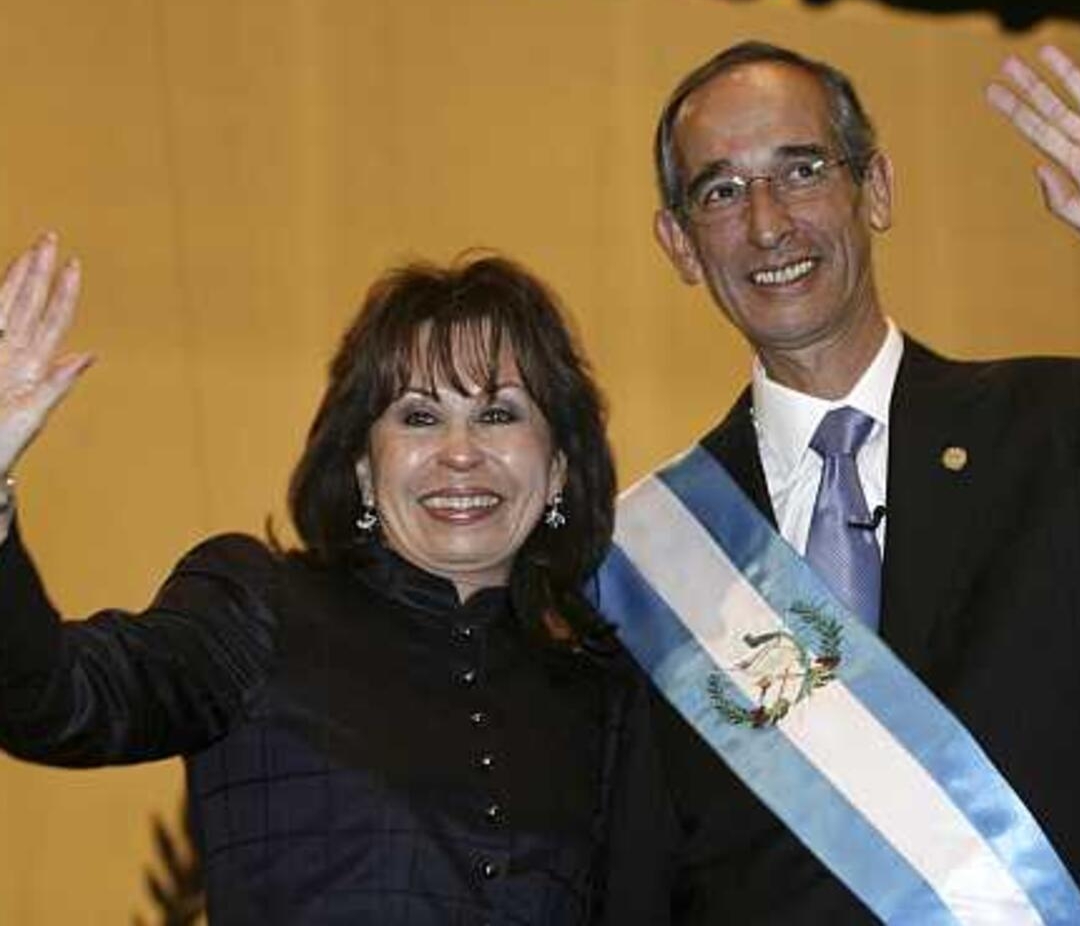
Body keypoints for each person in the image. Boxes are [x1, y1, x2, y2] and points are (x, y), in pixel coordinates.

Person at [600, 40, 1080, 924]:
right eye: (720, 191)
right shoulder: (647, 559)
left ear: (874, 189)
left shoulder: (1064, 425)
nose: (767, 223)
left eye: (801, 170)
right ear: (680, 243)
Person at [0, 238, 673, 924]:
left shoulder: (604, 693)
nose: (461, 452)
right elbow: (55, 703)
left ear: (558, 467)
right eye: (419, 416)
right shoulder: (257, 608)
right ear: (360, 465)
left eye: (498, 414)